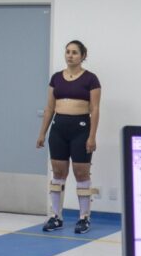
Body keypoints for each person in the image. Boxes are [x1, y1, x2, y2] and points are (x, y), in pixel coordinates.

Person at [36, 40, 101, 234]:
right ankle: (56, 216)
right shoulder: (56, 78)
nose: (70, 55)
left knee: (81, 173)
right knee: (58, 173)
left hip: (81, 129)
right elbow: (49, 108)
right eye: (68, 52)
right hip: (58, 130)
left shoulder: (91, 79)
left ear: (82, 56)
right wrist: (42, 133)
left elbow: (95, 109)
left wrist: (92, 136)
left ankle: (84, 218)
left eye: (74, 52)